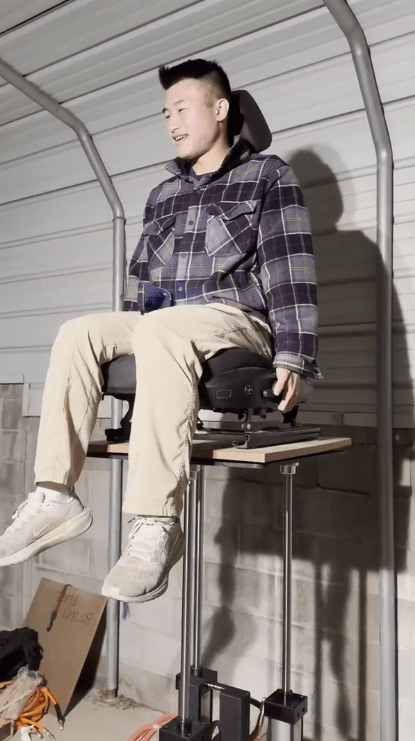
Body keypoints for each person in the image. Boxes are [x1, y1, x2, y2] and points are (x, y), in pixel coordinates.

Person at [0, 59, 322, 602]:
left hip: (239, 321)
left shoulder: (268, 177)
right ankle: (55, 496)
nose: (171, 122)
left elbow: (290, 270)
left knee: (160, 330)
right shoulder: (163, 193)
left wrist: (294, 356)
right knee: (79, 331)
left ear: (220, 110)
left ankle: (156, 523)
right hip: (167, 323)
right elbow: (141, 281)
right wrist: (124, 345)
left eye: (182, 108)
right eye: (166, 113)